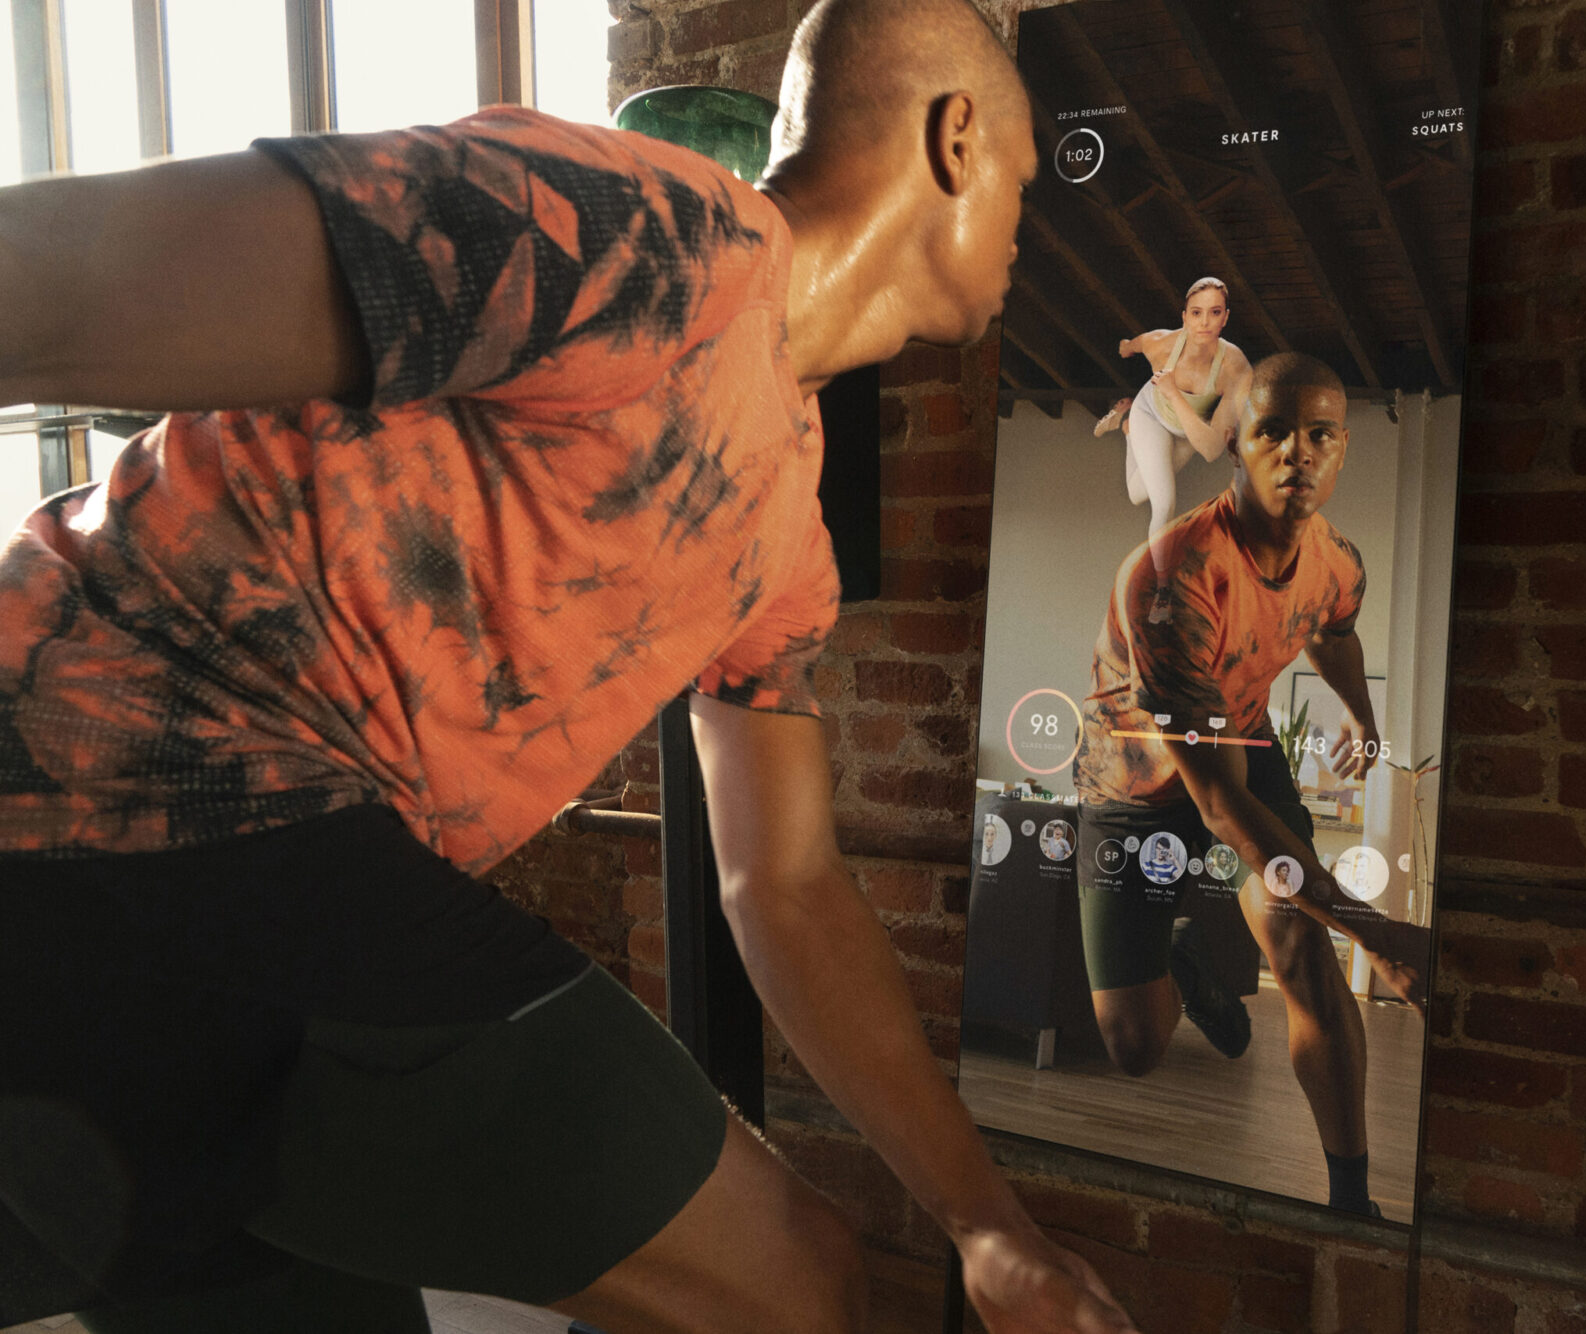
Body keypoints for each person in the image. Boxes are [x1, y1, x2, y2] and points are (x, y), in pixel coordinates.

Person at [0, 1, 1137, 1331]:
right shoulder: (650, 234)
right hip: (149, 791)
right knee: (799, 1277)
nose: (1029, 213)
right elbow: (48, 280)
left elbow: (784, 881)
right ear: (956, 139)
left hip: (195, 944)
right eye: (1022, 171)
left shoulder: (786, 540)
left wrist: (989, 1225)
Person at [1071, 352, 1426, 1217]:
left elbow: (1331, 630)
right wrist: (1374, 928)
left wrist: (1363, 720)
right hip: (1134, 787)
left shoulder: (1336, 559)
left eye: (1320, 435)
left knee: (1301, 942)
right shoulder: (1173, 576)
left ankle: (1352, 1202)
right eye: (1273, 431)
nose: (1297, 452)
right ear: (1236, 443)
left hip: (1239, 740)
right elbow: (1220, 808)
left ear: (1342, 451)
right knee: (1133, 1047)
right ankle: (1182, 958)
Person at [1092, 278, 1252, 622]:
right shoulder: (1161, 344)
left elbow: (1210, 449)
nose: (1204, 322)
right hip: (1152, 414)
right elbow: (1130, 345)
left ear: (1225, 318)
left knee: (1138, 495)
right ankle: (1163, 593)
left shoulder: (1235, 368)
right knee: (1163, 502)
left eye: (1214, 313)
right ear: (1184, 317)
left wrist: (1175, 394)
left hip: (1187, 432)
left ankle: (1124, 428)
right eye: (1196, 313)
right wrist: (1125, 347)